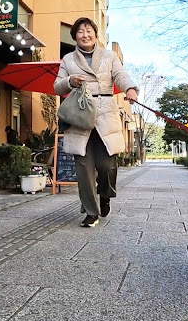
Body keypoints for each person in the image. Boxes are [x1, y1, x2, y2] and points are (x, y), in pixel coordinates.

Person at [53, 17, 138, 227]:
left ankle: (105, 195)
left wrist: (130, 89)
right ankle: (91, 212)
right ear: (75, 36)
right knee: (83, 168)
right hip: (80, 116)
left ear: (95, 33)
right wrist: (69, 81)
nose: (85, 34)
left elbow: (120, 75)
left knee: (107, 165)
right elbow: (57, 86)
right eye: (80, 31)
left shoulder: (109, 56)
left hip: (105, 114)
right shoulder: (68, 59)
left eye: (88, 30)